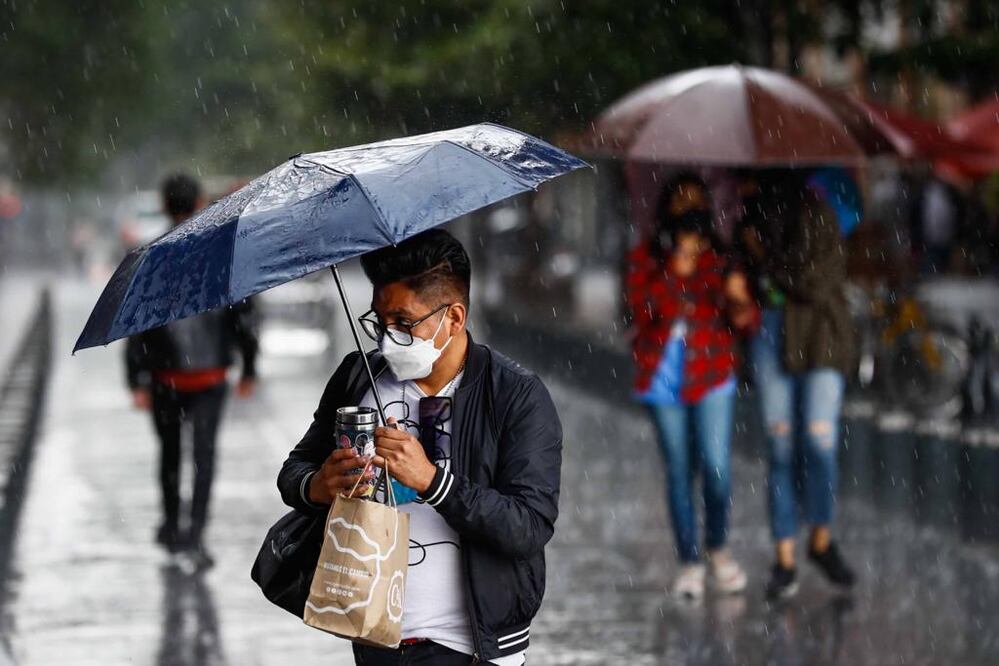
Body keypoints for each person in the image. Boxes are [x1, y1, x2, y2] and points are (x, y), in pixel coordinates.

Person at [278, 229, 562, 665]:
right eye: (379, 321)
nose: (388, 338)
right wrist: (319, 485)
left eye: (404, 323)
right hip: (375, 636)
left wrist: (432, 481)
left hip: (472, 649)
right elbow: (294, 472)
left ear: (454, 317)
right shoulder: (359, 378)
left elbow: (527, 526)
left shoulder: (514, 395)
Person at [627, 175, 758, 601]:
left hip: (713, 373)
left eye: (696, 202)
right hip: (662, 379)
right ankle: (689, 561)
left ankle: (717, 547)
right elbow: (639, 313)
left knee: (716, 469)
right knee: (680, 472)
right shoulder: (647, 256)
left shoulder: (721, 257)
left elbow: (746, 322)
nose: (689, 211)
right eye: (681, 202)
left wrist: (737, 300)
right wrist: (671, 273)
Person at [126, 173, 259, 566]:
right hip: (211, 375)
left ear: (165, 205)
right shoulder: (221, 254)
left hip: (166, 375)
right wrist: (249, 367)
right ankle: (196, 534)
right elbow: (243, 319)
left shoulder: (151, 255)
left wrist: (136, 378)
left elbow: (137, 325)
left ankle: (170, 525)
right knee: (204, 456)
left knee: (169, 454)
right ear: (201, 202)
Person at [744, 173, 857, 600]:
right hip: (773, 336)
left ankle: (822, 540)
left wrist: (767, 262)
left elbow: (816, 282)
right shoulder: (750, 219)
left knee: (819, 440)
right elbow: (742, 280)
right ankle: (785, 558)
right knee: (780, 447)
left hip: (821, 339)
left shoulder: (820, 213)